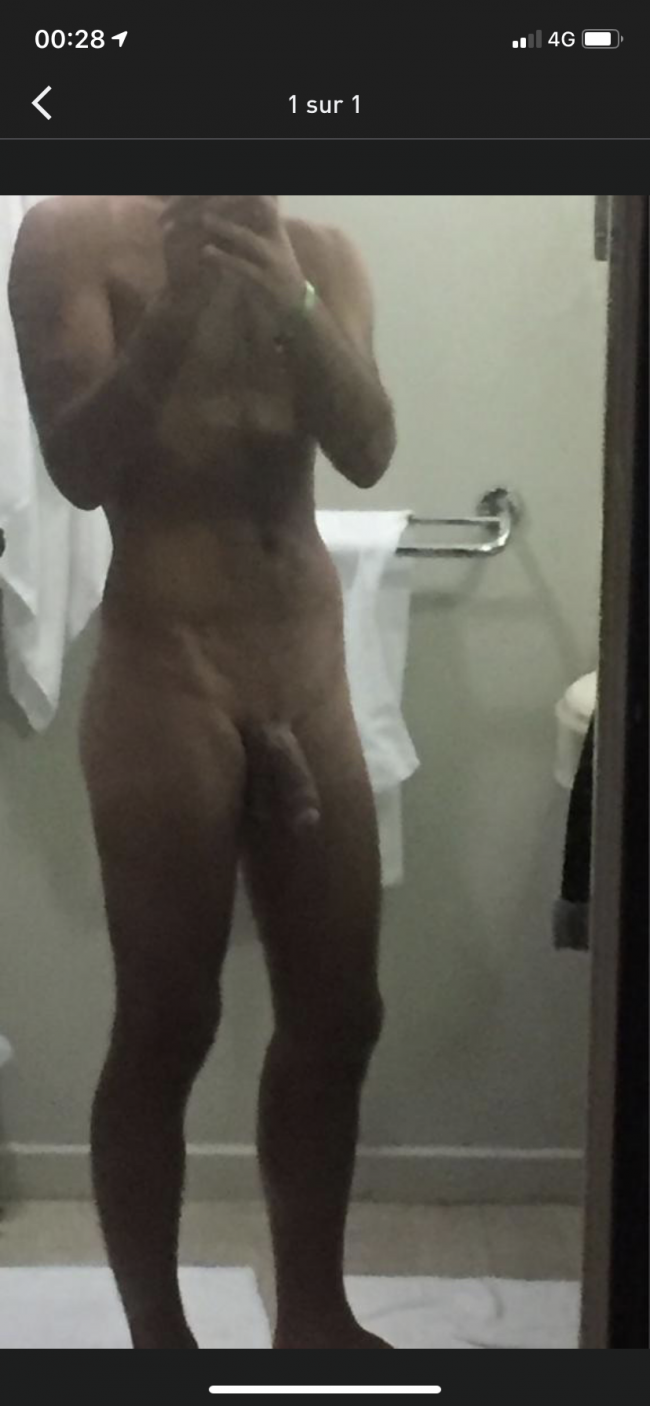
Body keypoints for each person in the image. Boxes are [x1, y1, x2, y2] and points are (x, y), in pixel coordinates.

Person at [8, 194, 397, 1350]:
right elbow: (77, 467)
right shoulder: (68, 237)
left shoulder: (323, 255)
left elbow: (368, 448)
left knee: (341, 1012)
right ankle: (158, 1342)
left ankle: (314, 1316)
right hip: (165, 663)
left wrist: (291, 302)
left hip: (306, 660)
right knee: (168, 1016)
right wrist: (174, 316)